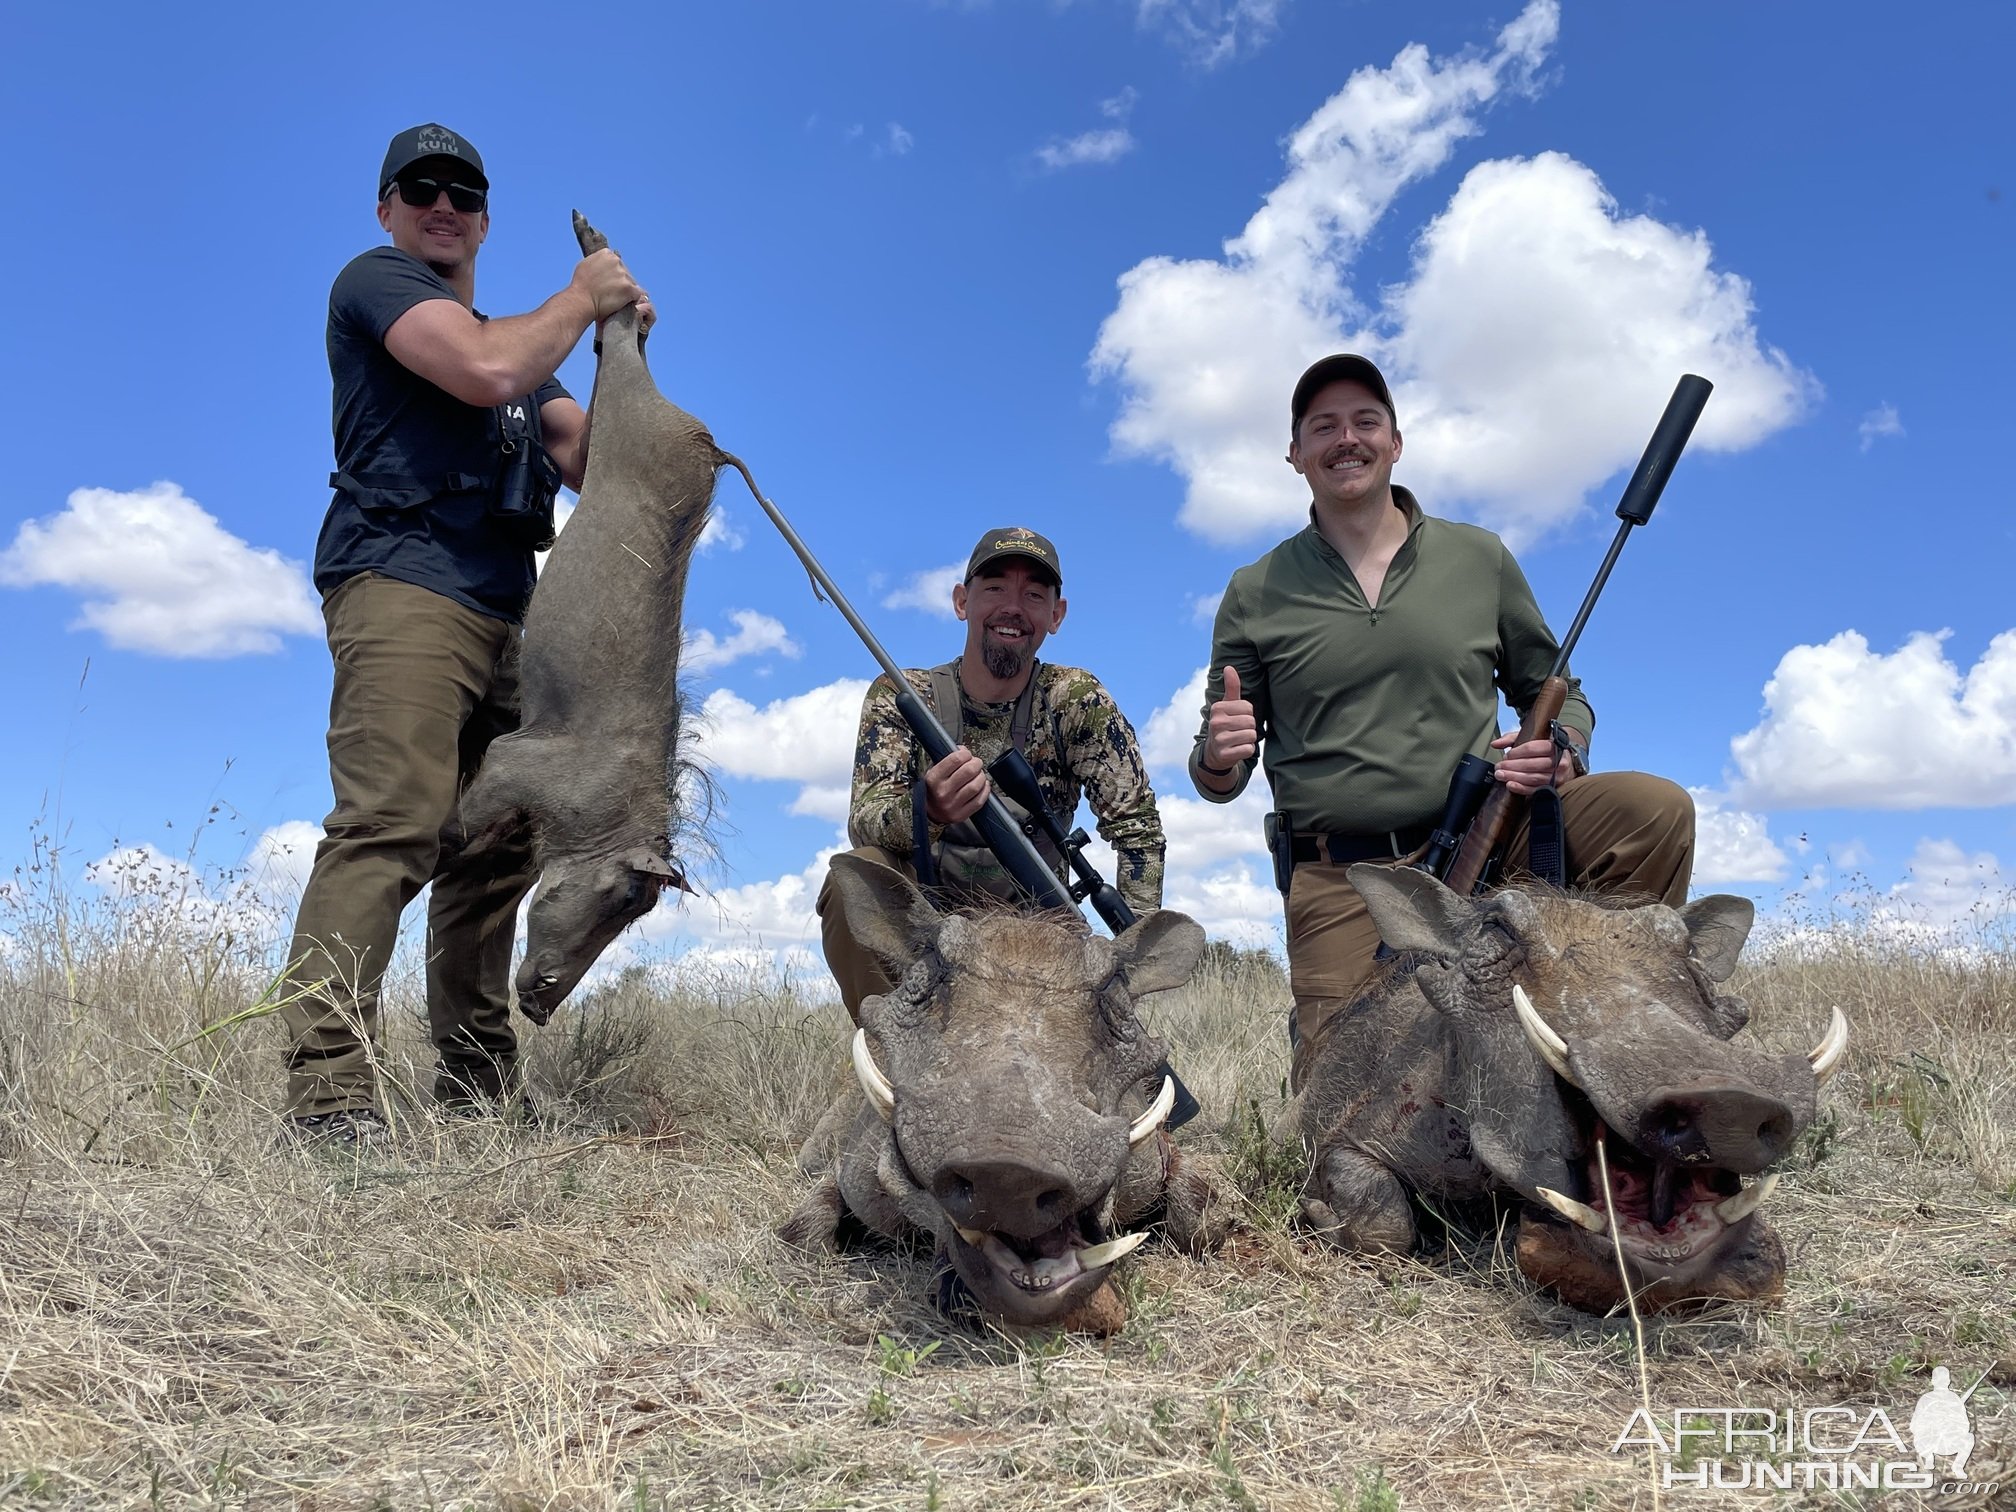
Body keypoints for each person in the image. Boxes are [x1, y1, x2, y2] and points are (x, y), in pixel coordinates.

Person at [280, 124, 653, 1143]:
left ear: (485, 217)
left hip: (509, 618)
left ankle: (478, 1090)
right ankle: (327, 1098)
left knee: (497, 849)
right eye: (420, 187)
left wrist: (626, 354)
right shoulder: (382, 286)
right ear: (388, 207)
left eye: (462, 192)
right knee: (392, 822)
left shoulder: (532, 356)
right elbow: (485, 372)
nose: (441, 203)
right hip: (402, 584)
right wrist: (585, 298)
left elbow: (595, 463)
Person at [1191, 355, 1694, 1090]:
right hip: (1345, 879)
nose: (1347, 439)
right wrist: (1217, 752)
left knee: (1653, 811)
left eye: (1366, 421)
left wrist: (1561, 746)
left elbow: (1558, 691)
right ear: (1295, 455)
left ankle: (1629, 1043)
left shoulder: (1479, 557)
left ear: (1397, 443)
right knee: (1346, 1110)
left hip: (1494, 838)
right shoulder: (1254, 590)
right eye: (1323, 426)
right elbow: (1220, 772)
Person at [818, 527, 1167, 1019]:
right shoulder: (901, 694)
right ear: (962, 601)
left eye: (1033, 594)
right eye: (996, 588)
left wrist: (1130, 962)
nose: (1013, 607)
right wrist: (929, 809)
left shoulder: (1076, 699)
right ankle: (891, 1044)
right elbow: (865, 820)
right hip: (927, 925)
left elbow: (1138, 831)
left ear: (1056, 615)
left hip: (1039, 930)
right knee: (853, 874)